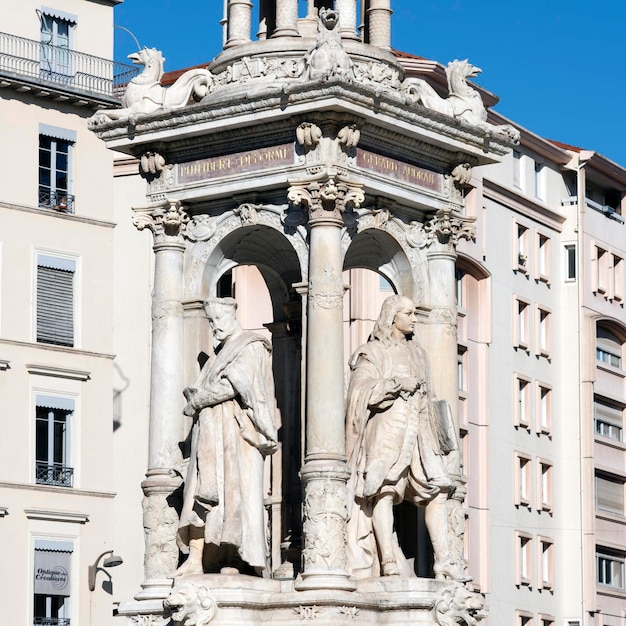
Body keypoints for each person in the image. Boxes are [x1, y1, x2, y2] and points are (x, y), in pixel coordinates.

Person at [345, 294, 469, 582]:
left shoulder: (419, 353)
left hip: (420, 430)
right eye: (409, 314)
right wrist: (395, 384)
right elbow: (359, 391)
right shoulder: (372, 353)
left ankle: (444, 561)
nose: (414, 319)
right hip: (388, 430)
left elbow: (433, 394)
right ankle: (387, 559)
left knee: (437, 489)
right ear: (392, 317)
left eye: (415, 313)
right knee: (384, 490)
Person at [176, 297, 278, 577]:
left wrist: (197, 402)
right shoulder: (215, 358)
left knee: (236, 497)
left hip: (238, 435)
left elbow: (233, 385)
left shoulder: (250, 346)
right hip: (210, 435)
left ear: (233, 318)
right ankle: (196, 559)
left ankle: (236, 558)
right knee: (199, 496)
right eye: (210, 322)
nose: (214, 328)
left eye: (217, 321)